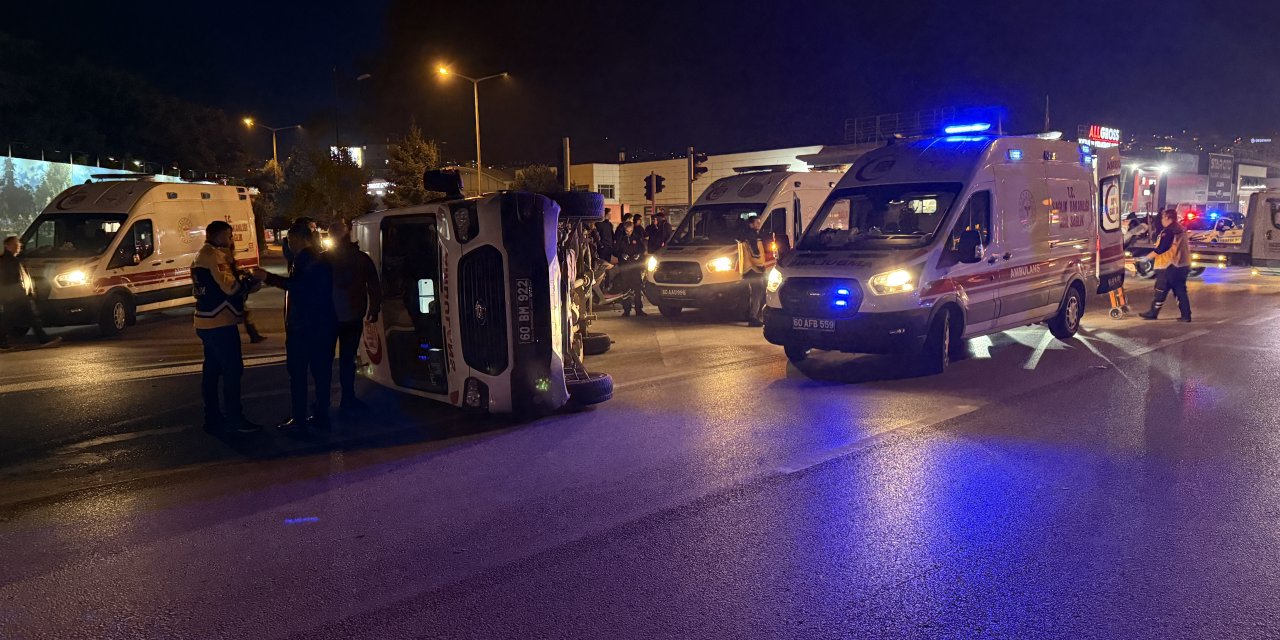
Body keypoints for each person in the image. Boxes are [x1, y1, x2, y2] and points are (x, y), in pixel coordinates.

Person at [255, 223, 339, 431]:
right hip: (320, 326)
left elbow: (297, 287)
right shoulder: (314, 258)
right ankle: (320, 415)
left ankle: (300, 419)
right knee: (321, 374)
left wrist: (268, 277)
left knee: (299, 375)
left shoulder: (307, 260)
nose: (289, 245)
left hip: (305, 328)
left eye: (291, 241)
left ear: (300, 239)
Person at [192, 222, 260, 432]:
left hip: (206, 320)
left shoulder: (202, 255)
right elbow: (230, 287)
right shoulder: (214, 257)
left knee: (212, 371)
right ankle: (235, 419)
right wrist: (251, 282)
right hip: (219, 323)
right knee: (232, 371)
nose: (231, 241)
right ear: (221, 235)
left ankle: (212, 417)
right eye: (229, 236)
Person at [324, 220, 382, 414]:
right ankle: (347, 398)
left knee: (327, 360)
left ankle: (325, 400)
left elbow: (373, 285)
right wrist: (373, 308)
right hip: (349, 315)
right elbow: (373, 285)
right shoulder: (360, 258)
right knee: (347, 360)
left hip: (332, 317)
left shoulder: (324, 259)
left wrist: (373, 307)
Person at [1, 235, 62, 351]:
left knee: (11, 318)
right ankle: (44, 339)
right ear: (7, 246)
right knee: (29, 317)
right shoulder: (9, 261)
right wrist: (22, 292)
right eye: (15, 245)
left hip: (11, 295)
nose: (18, 247)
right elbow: (11, 279)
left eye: (18, 245)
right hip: (15, 294)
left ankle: (3, 342)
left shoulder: (8, 260)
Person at [1140, 208, 1192, 322]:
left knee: (1160, 289)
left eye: (1163, 217)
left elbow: (1162, 248)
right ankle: (1186, 315)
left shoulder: (1169, 231)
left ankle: (1153, 313)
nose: (1161, 220)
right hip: (1182, 264)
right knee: (1180, 291)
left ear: (1168, 218)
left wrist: (1146, 258)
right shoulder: (1181, 228)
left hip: (1169, 265)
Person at [227, 237, 267, 344]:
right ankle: (253, 335)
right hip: (235, 291)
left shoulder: (228, 259)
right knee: (244, 314)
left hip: (236, 291)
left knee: (245, 314)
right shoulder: (227, 259)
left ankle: (254, 335)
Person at [613, 217, 648, 317]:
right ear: (624, 230)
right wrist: (621, 255)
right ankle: (627, 310)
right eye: (627, 231)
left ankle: (639, 310)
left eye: (630, 231)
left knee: (637, 288)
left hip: (635, 267)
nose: (629, 233)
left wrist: (638, 255)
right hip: (625, 268)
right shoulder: (621, 239)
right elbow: (615, 251)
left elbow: (642, 249)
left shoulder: (637, 238)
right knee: (626, 290)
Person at [740, 215, 769, 327]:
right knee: (758, 292)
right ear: (751, 224)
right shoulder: (751, 236)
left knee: (755, 292)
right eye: (757, 223)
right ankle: (753, 317)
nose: (759, 225)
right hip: (754, 269)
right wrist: (760, 265)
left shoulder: (747, 235)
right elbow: (754, 253)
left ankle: (753, 315)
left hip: (749, 269)